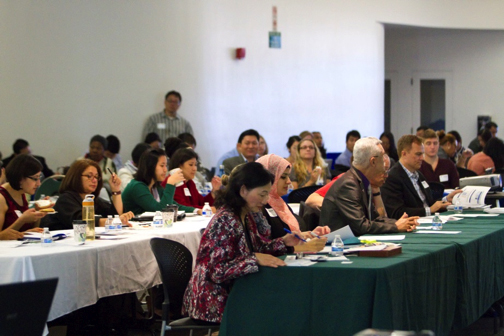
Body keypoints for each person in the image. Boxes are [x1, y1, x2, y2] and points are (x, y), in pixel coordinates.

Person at [182, 162, 302, 323]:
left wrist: (284, 242)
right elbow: (217, 271)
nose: (266, 200)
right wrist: (254, 259)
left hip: (237, 291)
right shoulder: (225, 220)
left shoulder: (246, 214)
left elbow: (258, 247)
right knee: (281, 309)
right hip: (212, 301)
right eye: (262, 194)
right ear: (243, 190)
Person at [320, 138, 417, 235]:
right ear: (373, 161)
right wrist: (395, 226)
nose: (385, 162)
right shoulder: (349, 184)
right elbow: (361, 226)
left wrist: (400, 222)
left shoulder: (360, 180)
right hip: (339, 245)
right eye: (382, 157)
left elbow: (374, 219)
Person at [257, 154, 329, 251]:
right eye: (283, 177)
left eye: (288, 177)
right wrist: (304, 247)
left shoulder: (281, 203)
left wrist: (310, 235)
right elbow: (263, 247)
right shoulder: (258, 207)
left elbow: (289, 236)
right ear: (268, 178)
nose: (289, 182)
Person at [381, 135, 461, 219]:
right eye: (418, 154)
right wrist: (429, 210)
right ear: (404, 154)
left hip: (428, 221)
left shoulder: (419, 175)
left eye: (422, 154)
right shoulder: (392, 177)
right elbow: (397, 212)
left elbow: (427, 202)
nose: (422, 158)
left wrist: (445, 200)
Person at [44, 159, 134, 230]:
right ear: (76, 177)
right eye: (89, 176)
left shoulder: (92, 199)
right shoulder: (65, 199)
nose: (94, 180)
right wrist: (114, 221)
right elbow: (82, 221)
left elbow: (115, 214)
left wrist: (116, 190)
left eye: (96, 177)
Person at [122, 148, 195, 215]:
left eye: (166, 165)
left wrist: (196, 210)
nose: (165, 169)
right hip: (132, 227)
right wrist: (170, 184)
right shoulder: (137, 186)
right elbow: (160, 210)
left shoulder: (155, 185)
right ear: (151, 166)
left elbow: (173, 206)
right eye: (162, 166)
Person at [307, 155, 391, 212]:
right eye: (383, 170)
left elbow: (382, 218)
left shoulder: (375, 185)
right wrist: (343, 207)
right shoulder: (345, 179)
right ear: (372, 165)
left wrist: (376, 191)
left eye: (387, 170)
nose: (385, 175)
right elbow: (311, 199)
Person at [0, 155, 48, 233]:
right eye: (35, 179)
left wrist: (38, 212)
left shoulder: (22, 193)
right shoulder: (1, 197)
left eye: (39, 178)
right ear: (20, 178)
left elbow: (31, 230)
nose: (38, 184)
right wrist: (22, 220)